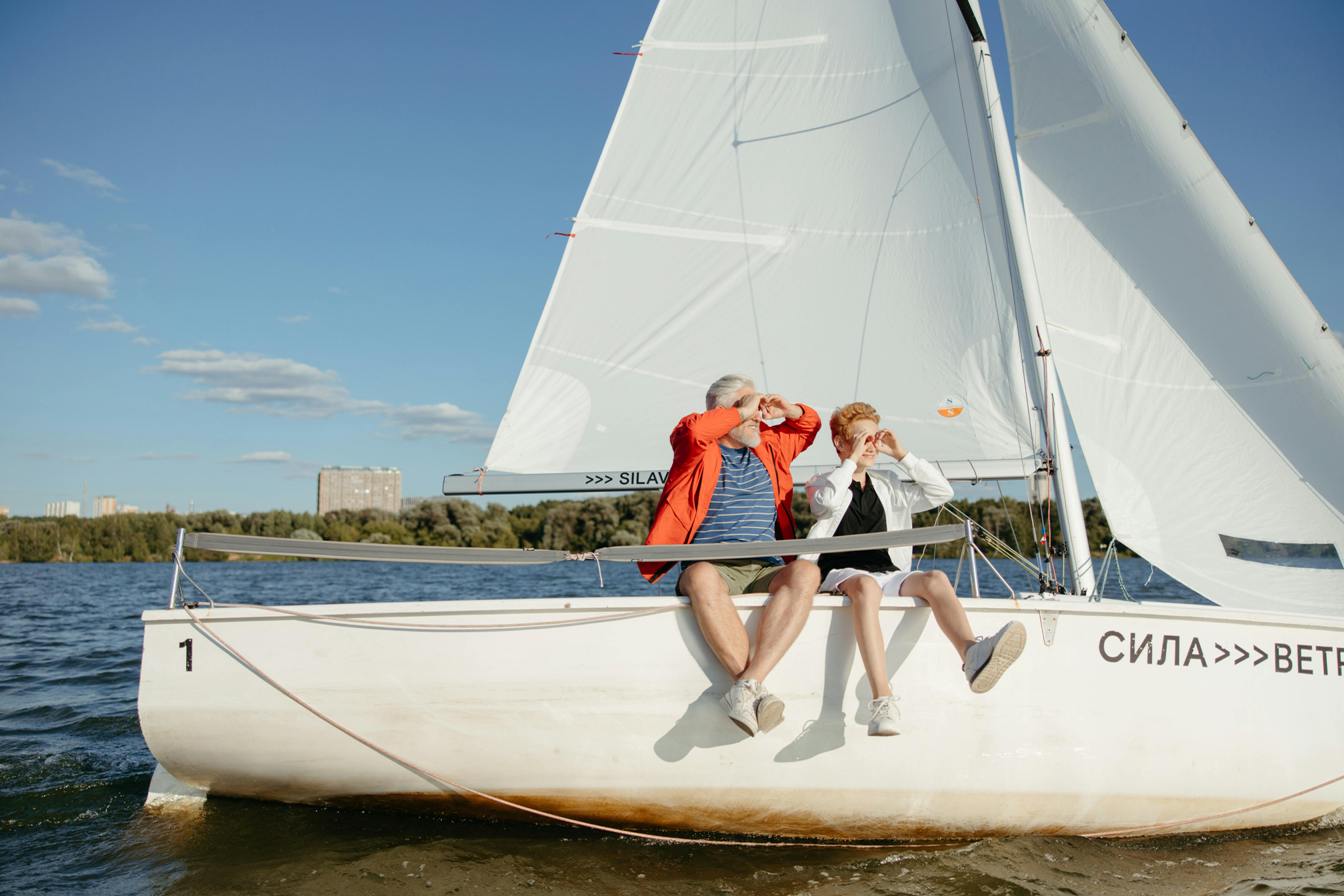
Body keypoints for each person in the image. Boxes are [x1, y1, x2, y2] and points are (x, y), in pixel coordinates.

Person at [805, 402, 1026, 736]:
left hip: (886, 571)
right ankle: (882, 698)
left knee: (935, 579)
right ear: (840, 442)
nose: (870, 446)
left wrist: (900, 453)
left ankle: (971, 655)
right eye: (861, 438)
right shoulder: (821, 482)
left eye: (873, 438)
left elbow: (942, 492)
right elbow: (825, 504)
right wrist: (850, 460)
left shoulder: (889, 483)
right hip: (841, 573)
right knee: (866, 587)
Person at [640, 374, 822, 737]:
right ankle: (754, 690)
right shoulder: (695, 448)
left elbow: (808, 426)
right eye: (748, 403)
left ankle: (748, 686)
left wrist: (788, 409)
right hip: (712, 567)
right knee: (701, 575)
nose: (758, 412)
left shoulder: (770, 446)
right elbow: (694, 432)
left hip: (763, 566)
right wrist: (741, 411)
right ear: (724, 410)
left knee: (805, 572)